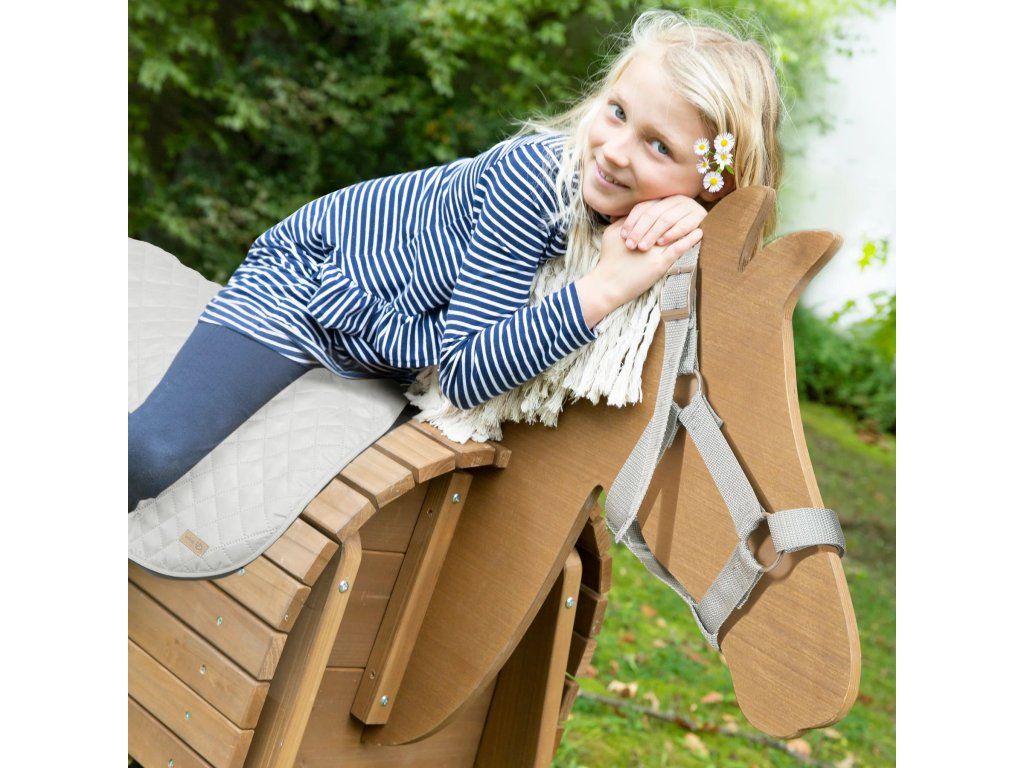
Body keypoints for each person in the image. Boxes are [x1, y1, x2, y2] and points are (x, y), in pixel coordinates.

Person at [129, 8, 785, 512]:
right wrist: (605, 286)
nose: (614, 150)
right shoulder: (533, 180)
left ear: (711, 184)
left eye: (658, 146)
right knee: (152, 456)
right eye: (616, 112)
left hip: (399, 345)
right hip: (315, 286)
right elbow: (468, 373)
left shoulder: (647, 213)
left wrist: (697, 221)